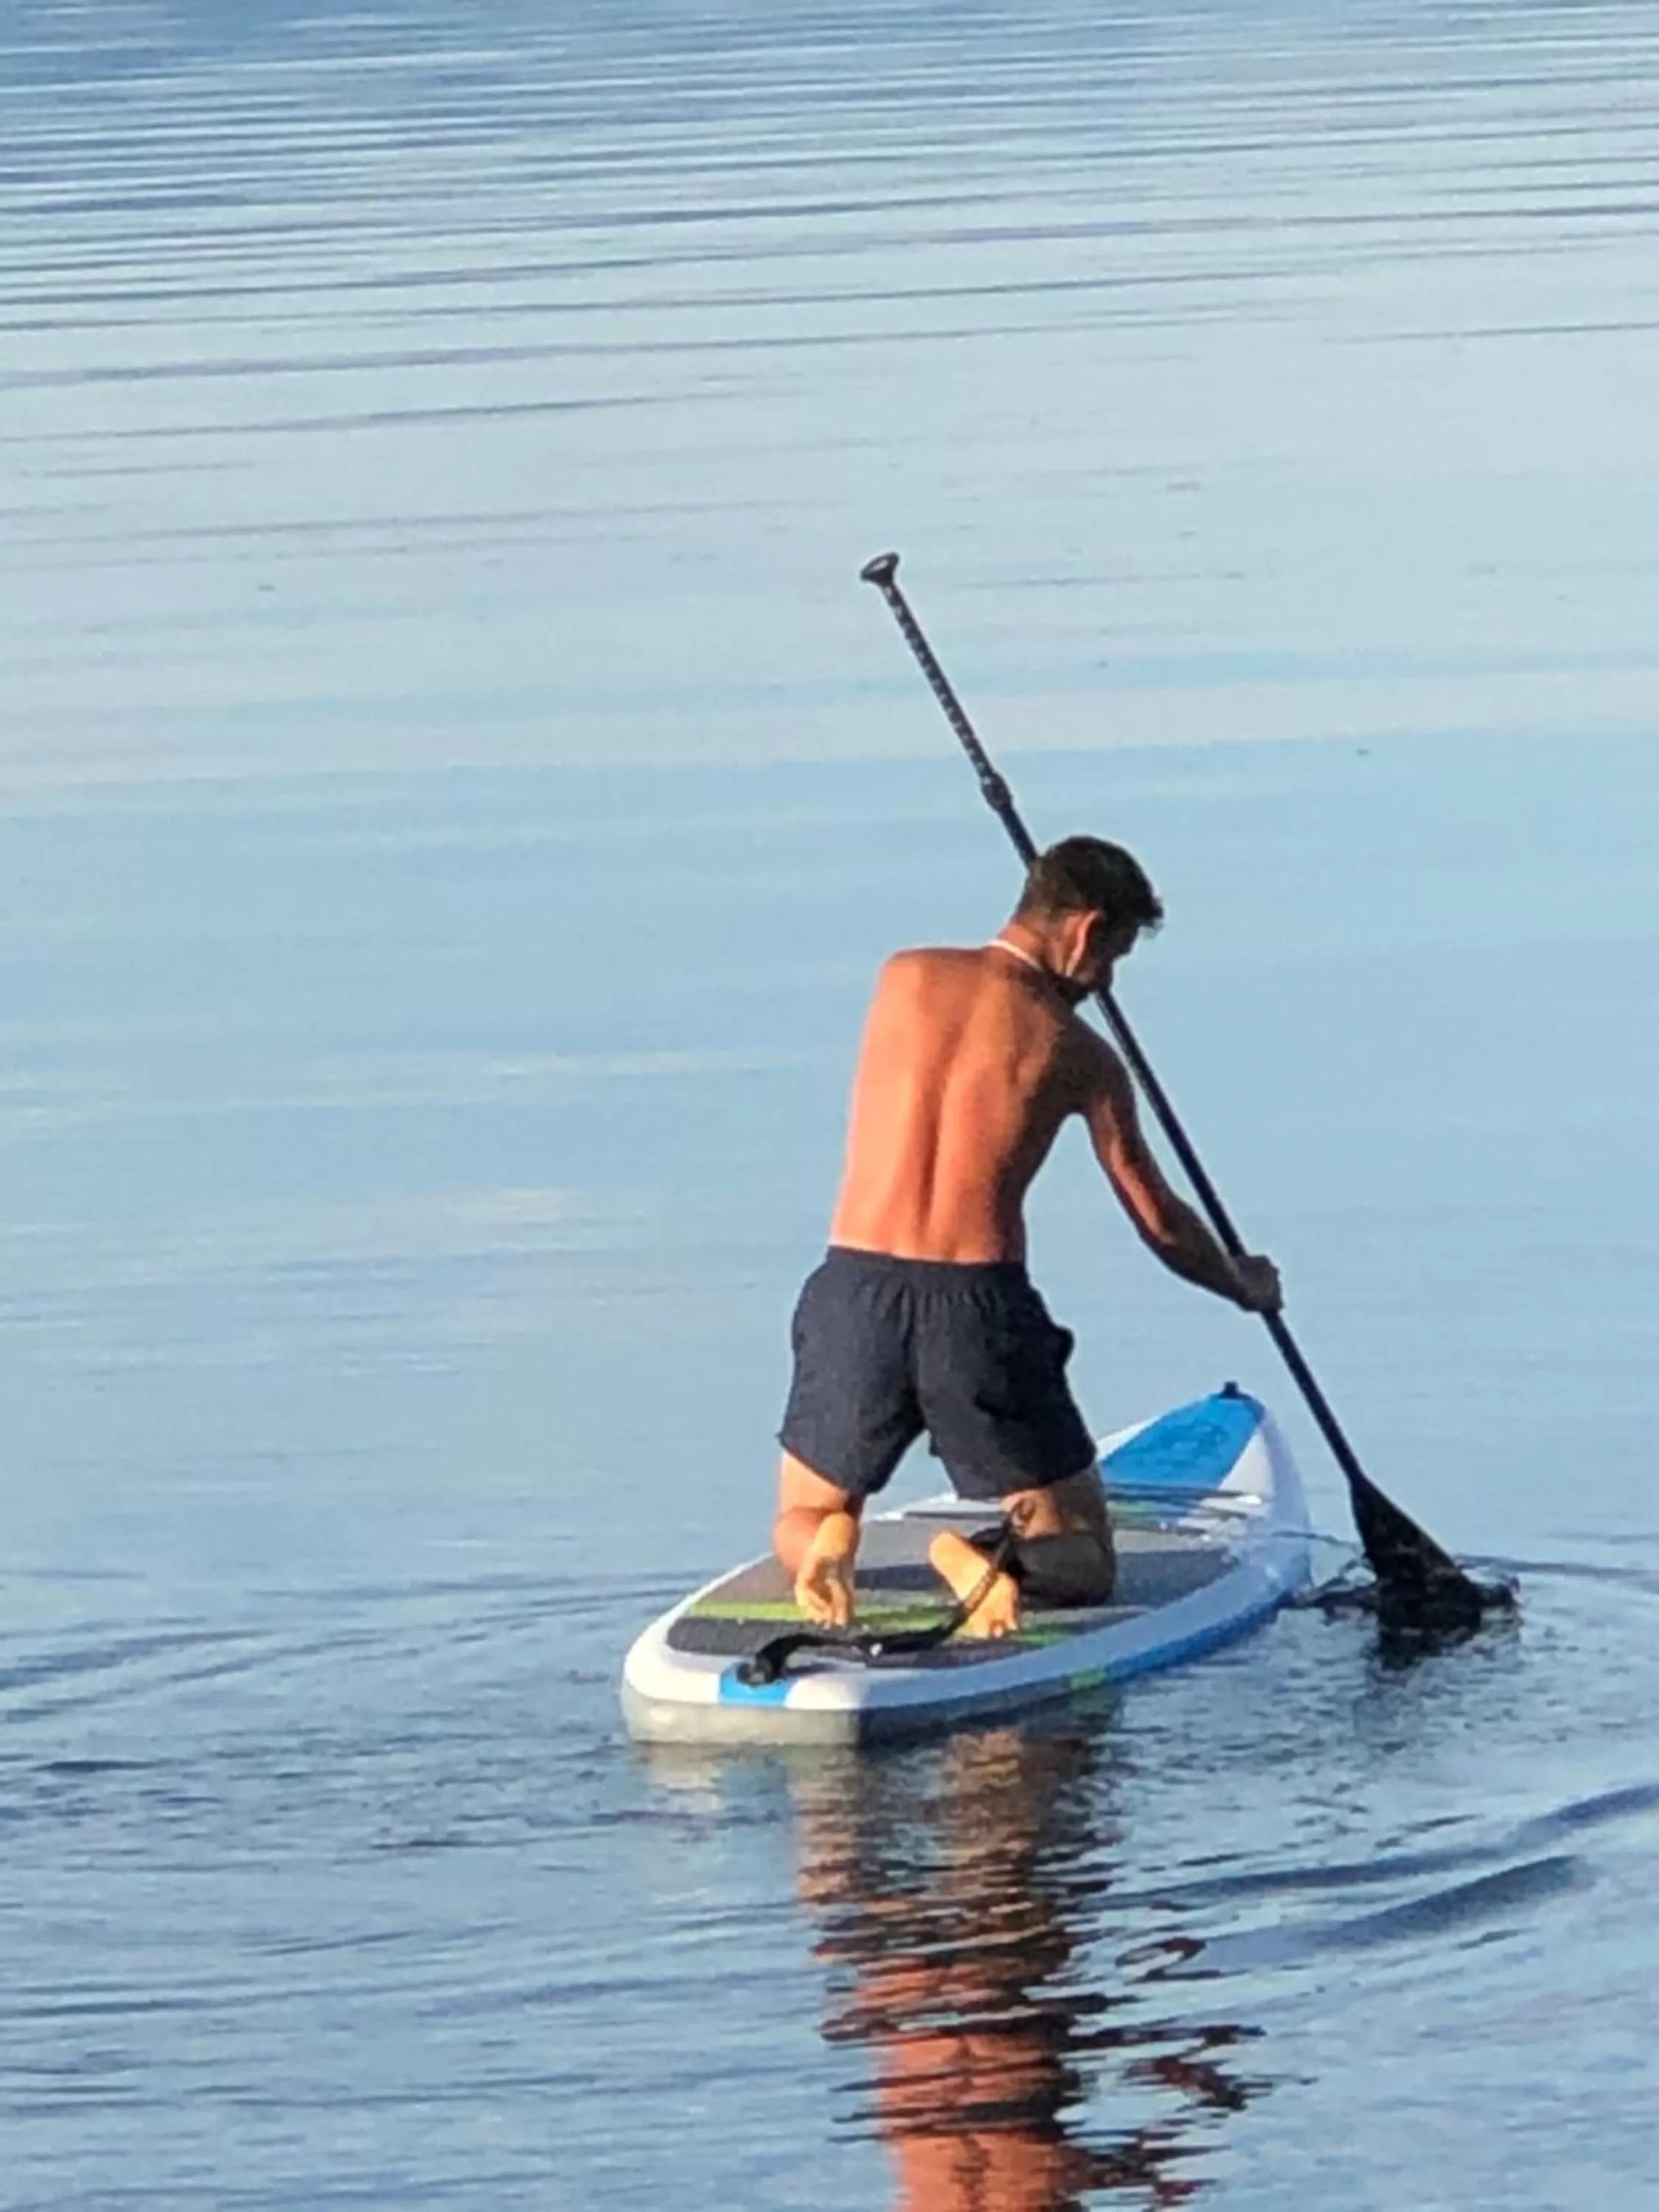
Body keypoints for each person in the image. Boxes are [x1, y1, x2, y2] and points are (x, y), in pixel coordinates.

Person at [772, 834, 1282, 1638]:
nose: (1107, 980)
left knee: (804, 1508)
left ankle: (833, 1541)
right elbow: (1159, 1221)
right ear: (1082, 931)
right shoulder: (1080, 1055)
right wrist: (1240, 1282)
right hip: (975, 1306)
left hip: (855, 1287)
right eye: (1111, 954)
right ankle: (988, 1559)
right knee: (1082, 1558)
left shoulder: (902, 977)